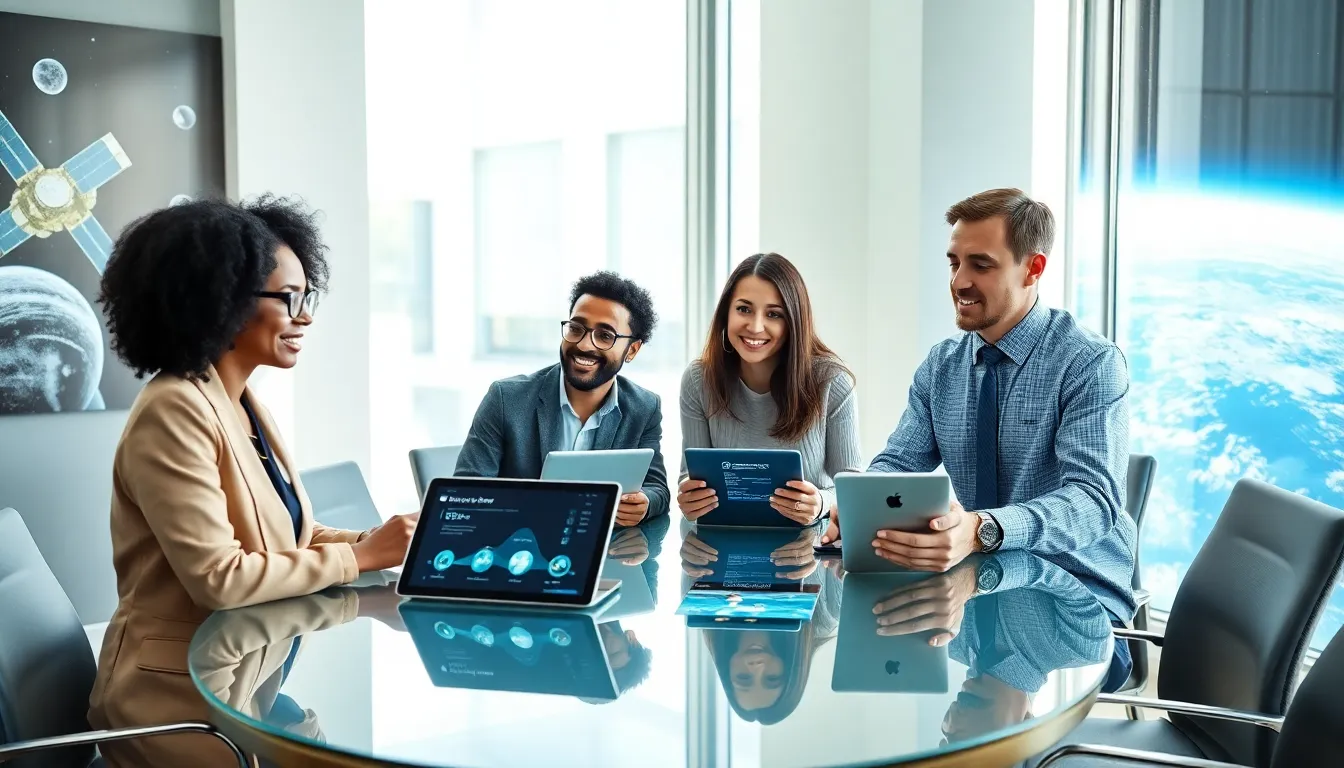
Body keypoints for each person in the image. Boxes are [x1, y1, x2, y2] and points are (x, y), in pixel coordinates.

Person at [87, 197, 417, 768]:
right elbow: (219, 578)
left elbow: (285, 536)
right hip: (172, 705)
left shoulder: (240, 403)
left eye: (306, 297)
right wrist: (361, 559)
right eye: (290, 299)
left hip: (249, 680)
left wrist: (383, 543)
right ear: (219, 300)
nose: (306, 316)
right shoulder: (174, 410)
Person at [821, 188, 1137, 658]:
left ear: (1033, 268)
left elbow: (1093, 503)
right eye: (954, 263)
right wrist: (862, 506)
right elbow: (900, 461)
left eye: (981, 265)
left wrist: (981, 529)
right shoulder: (942, 365)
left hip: (1078, 601)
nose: (959, 281)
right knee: (880, 643)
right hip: (983, 583)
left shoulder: (1089, 363)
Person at [454, 271, 671, 526]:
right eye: (576, 328)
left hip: (604, 553)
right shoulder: (506, 398)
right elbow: (466, 494)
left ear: (632, 349)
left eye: (604, 336)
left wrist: (643, 503)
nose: (584, 345)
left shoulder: (644, 407)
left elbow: (657, 488)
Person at [677, 253, 862, 525]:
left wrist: (821, 503)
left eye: (774, 314)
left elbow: (853, 488)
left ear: (793, 323)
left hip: (805, 554)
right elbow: (689, 476)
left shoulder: (832, 381)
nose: (755, 327)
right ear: (725, 312)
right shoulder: (698, 380)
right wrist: (689, 495)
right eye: (744, 309)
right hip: (720, 546)